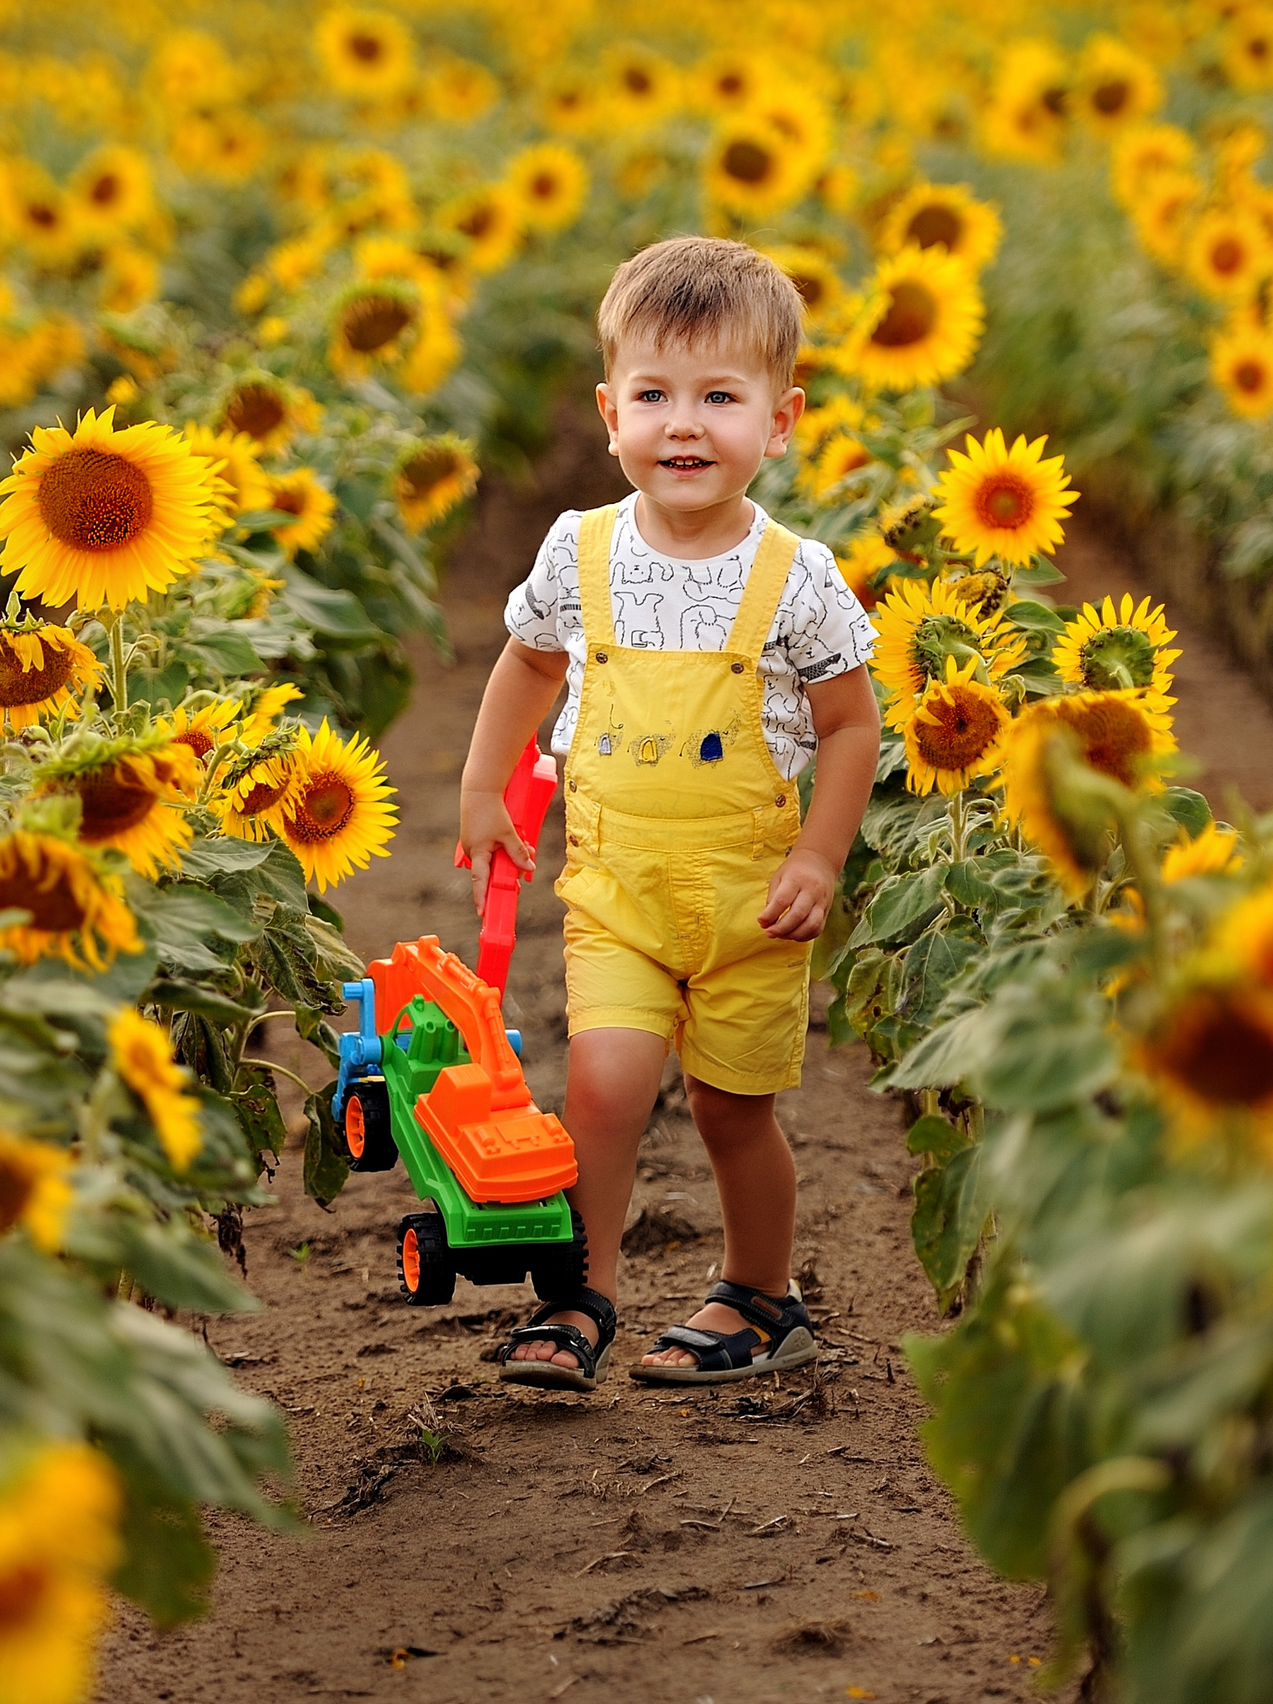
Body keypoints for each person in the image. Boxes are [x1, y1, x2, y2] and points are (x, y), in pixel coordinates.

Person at [457, 236, 883, 1391]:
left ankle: (759, 1291)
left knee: (730, 1109)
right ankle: (581, 1295)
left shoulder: (795, 575)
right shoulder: (578, 549)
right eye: (653, 395)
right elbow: (530, 665)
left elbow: (851, 727)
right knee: (600, 1085)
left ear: (779, 421)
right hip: (619, 886)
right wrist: (487, 784)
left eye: (718, 397)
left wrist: (819, 853)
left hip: (751, 897)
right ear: (609, 412)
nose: (682, 424)